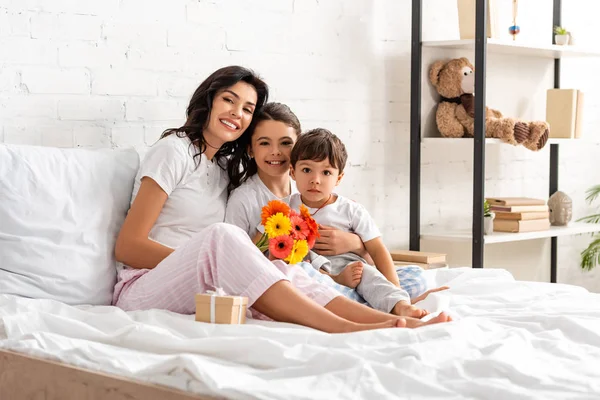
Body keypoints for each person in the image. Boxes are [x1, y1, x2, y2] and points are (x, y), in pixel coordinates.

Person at [113, 65, 451, 333]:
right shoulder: (173, 152)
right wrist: (210, 259)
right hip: (143, 288)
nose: (237, 113)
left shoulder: (221, 168)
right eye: (229, 100)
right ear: (210, 100)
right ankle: (342, 328)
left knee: (286, 266)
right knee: (223, 238)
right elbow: (128, 247)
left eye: (247, 108)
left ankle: (386, 322)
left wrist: (352, 244)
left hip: (200, 287)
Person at [289, 128, 449, 318]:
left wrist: (397, 292)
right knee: (297, 270)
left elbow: (378, 250)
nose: (315, 180)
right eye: (307, 170)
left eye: (326, 172)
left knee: (409, 275)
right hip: (319, 277)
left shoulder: (350, 210)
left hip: (355, 275)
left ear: (339, 178)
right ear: (292, 172)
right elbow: (260, 245)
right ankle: (373, 303)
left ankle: (398, 304)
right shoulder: (283, 208)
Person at [225, 102, 368, 262]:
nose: (275, 152)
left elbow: (369, 257)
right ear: (250, 149)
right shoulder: (243, 201)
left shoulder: (309, 186)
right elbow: (233, 262)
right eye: (264, 143)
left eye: (286, 143)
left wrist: (355, 244)